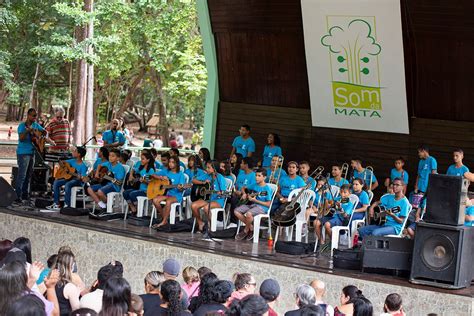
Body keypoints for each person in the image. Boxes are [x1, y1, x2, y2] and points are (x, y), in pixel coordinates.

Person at [14, 108, 54, 205]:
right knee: (22, 175)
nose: (34, 117)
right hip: (23, 153)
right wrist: (28, 131)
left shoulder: (36, 125)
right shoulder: (22, 126)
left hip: (32, 153)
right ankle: (17, 196)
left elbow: (44, 132)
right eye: (33, 115)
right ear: (28, 115)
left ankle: (25, 195)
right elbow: (21, 138)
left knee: (28, 176)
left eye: (35, 116)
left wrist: (41, 136)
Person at [234, 168, 273, 241]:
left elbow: (268, 204)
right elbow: (243, 188)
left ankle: (246, 230)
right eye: (256, 175)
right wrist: (244, 193)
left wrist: (256, 200)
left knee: (249, 214)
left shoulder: (267, 189)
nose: (256, 177)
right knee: (236, 211)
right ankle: (251, 228)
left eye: (259, 176)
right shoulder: (254, 184)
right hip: (253, 205)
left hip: (263, 208)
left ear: (264, 177)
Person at [191, 160, 228, 233]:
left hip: (218, 200)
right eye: (206, 167)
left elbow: (223, 192)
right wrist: (203, 182)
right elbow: (194, 180)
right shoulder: (207, 175)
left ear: (214, 169)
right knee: (193, 205)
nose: (206, 169)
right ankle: (200, 223)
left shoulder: (220, 178)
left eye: (208, 168)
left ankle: (211, 226)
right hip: (207, 198)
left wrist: (220, 193)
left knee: (206, 208)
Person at [150, 156, 186, 228]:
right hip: (167, 194)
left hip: (176, 195)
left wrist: (180, 188)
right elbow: (153, 175)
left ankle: (163, 221)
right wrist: (161, 177)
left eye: (173, 162)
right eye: (169, 162)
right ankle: (165, 217)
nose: (170, 164)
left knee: (169, 201)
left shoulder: (180, 174)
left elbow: (181, 188)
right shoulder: (166, 171)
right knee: (155, 200)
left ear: (176, 164)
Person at [123, 151, 156, 215]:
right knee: (125, 193)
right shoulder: (141, 168)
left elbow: (151, 182)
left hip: (146, 191)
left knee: (132, 194)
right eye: (141, 159)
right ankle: (133, 208)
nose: (141, 160)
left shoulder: (150, 170)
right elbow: (133, 169)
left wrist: (144, 181)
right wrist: (131, 176)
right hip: (139, 189)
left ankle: (139, 208)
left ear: (148, 160)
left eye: (143, 159)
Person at [55, 250, 81, 315]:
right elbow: (77, 312)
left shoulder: (50, 282)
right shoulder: (70, 287)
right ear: (72, 266)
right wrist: (76, 294)